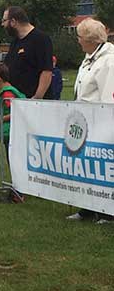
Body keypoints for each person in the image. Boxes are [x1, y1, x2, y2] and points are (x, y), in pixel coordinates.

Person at [66, 18, 114, 224]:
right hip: (83, 120)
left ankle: (108, 212)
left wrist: (105, 123)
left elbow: (107, 95)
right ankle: (87, 207)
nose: (78, 41)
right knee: (86, 166)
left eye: (80, 37)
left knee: (104, 167)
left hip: (99, 121)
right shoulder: (89, 58)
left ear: (91, 39)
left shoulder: (108, 61)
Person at [0, 62, 26, 202]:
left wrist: (1, 118)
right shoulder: (6, 92)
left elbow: (16, 110)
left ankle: (18, 193)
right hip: (7, 131)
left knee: (14, 162)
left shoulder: (8, 93)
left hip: (10, 131)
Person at [2, 6, 53, 99]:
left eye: (4, 20)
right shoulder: (15, 42)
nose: (2, 24)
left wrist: (37, 97)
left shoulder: (40, 39)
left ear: (13, 22)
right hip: (17, 100)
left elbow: (46, 71)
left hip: (34, 102)